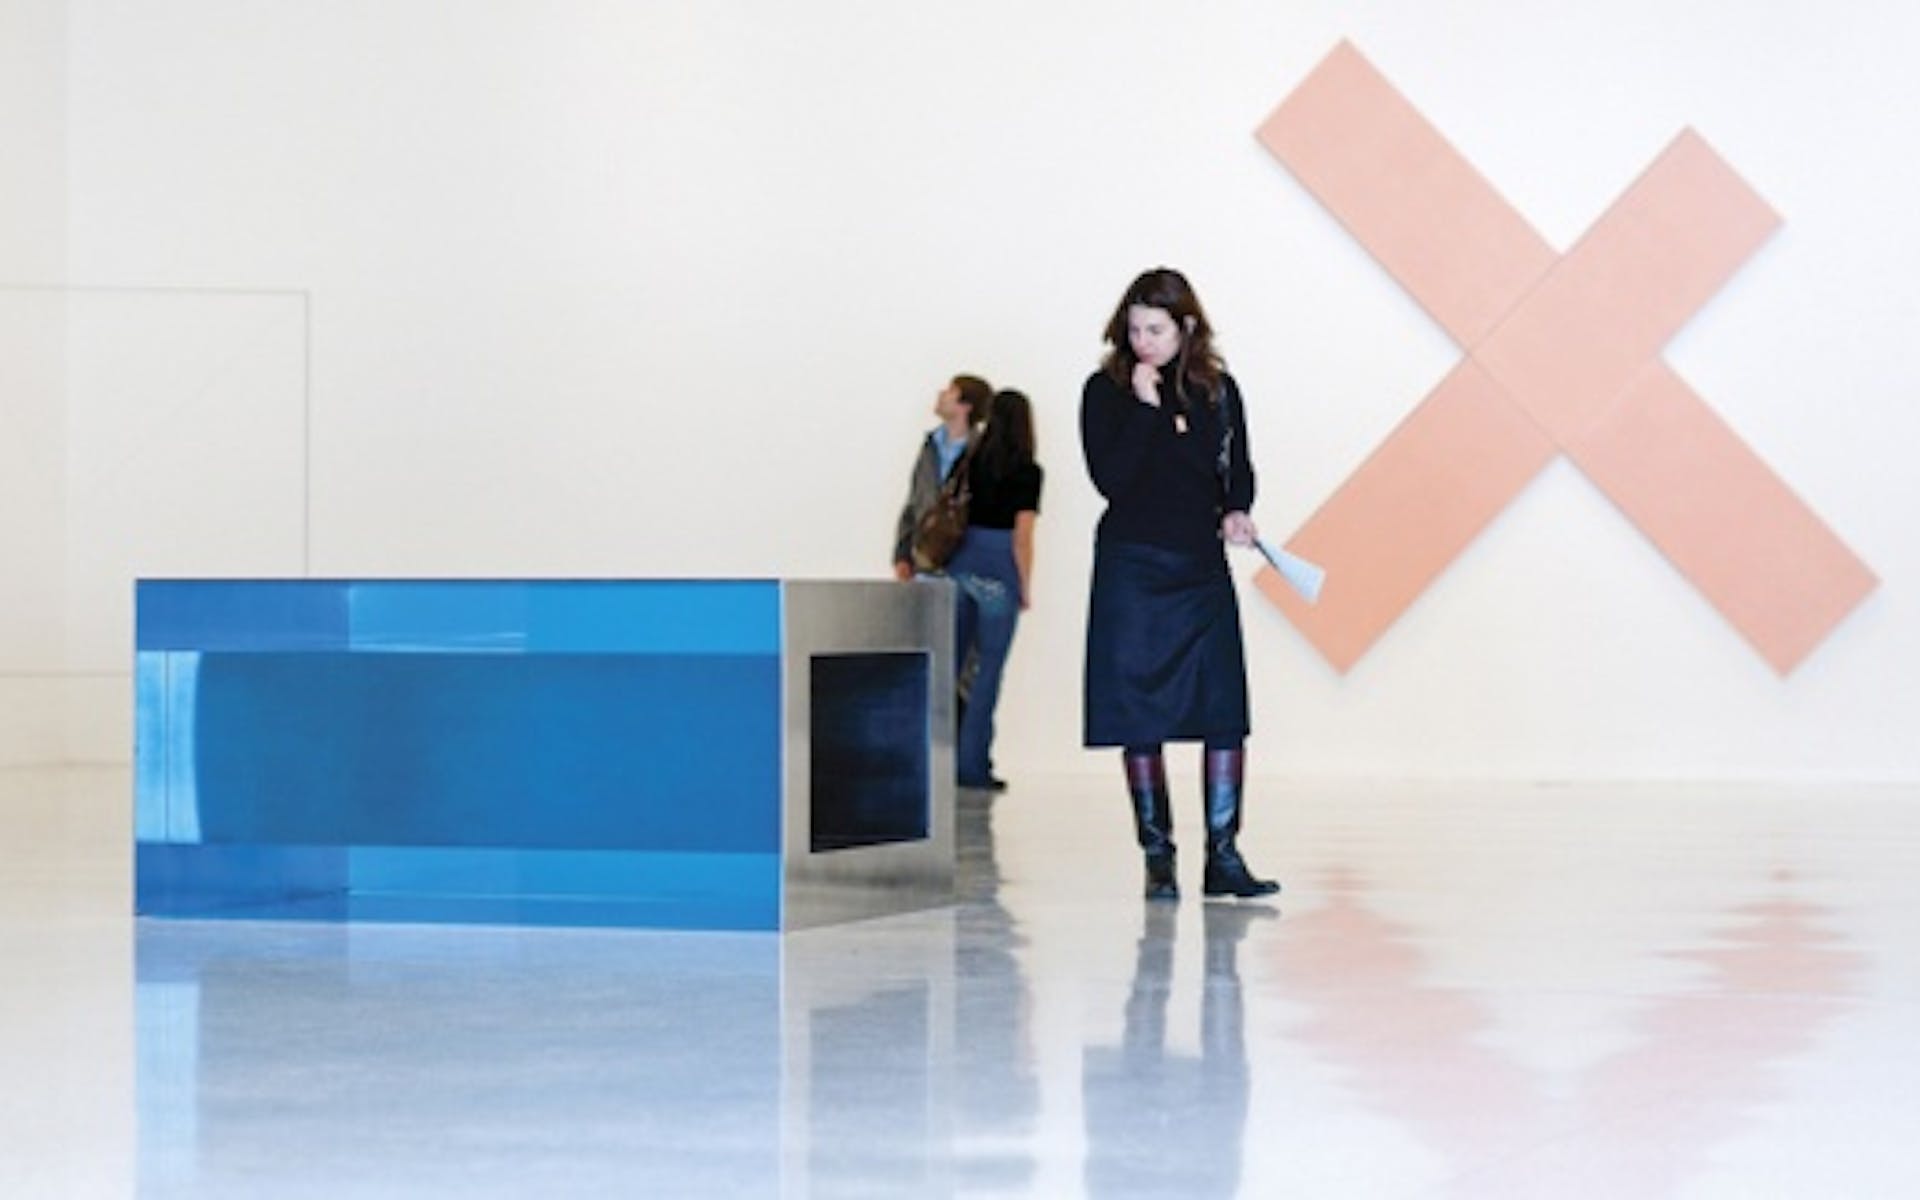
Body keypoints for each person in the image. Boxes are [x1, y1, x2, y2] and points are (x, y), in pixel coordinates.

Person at [1080, 267, 1278, 900]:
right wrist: (1144, 410)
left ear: (1187, 327)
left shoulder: (1217, 389)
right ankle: (1158, 859)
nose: (1143, 342)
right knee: (1139, 713)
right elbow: (1111, 479)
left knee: (1224, 709)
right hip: (1132, 566)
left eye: (1156, 330)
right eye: (1135, 330)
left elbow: (1237, 467)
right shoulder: (1105, 391)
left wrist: (1237, 510)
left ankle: (1224, 855)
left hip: (1199, 565)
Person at [947, 388, 1042, 791]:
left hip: (960, 562)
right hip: (999, 565)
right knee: (988, 672)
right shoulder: (1027, 471)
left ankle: (934, 758)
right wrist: (1024, 584)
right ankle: (972, 765)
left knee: (949, 668)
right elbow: (1022, 537)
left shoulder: (970, 460)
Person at [892, 374, 992, 581]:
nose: (941, 394)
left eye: (951, 391)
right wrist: (902, 554)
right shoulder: (930, 446)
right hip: (924, 561)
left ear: (966, 405)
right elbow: (914, 501)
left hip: (964, 566)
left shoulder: (982, 451)